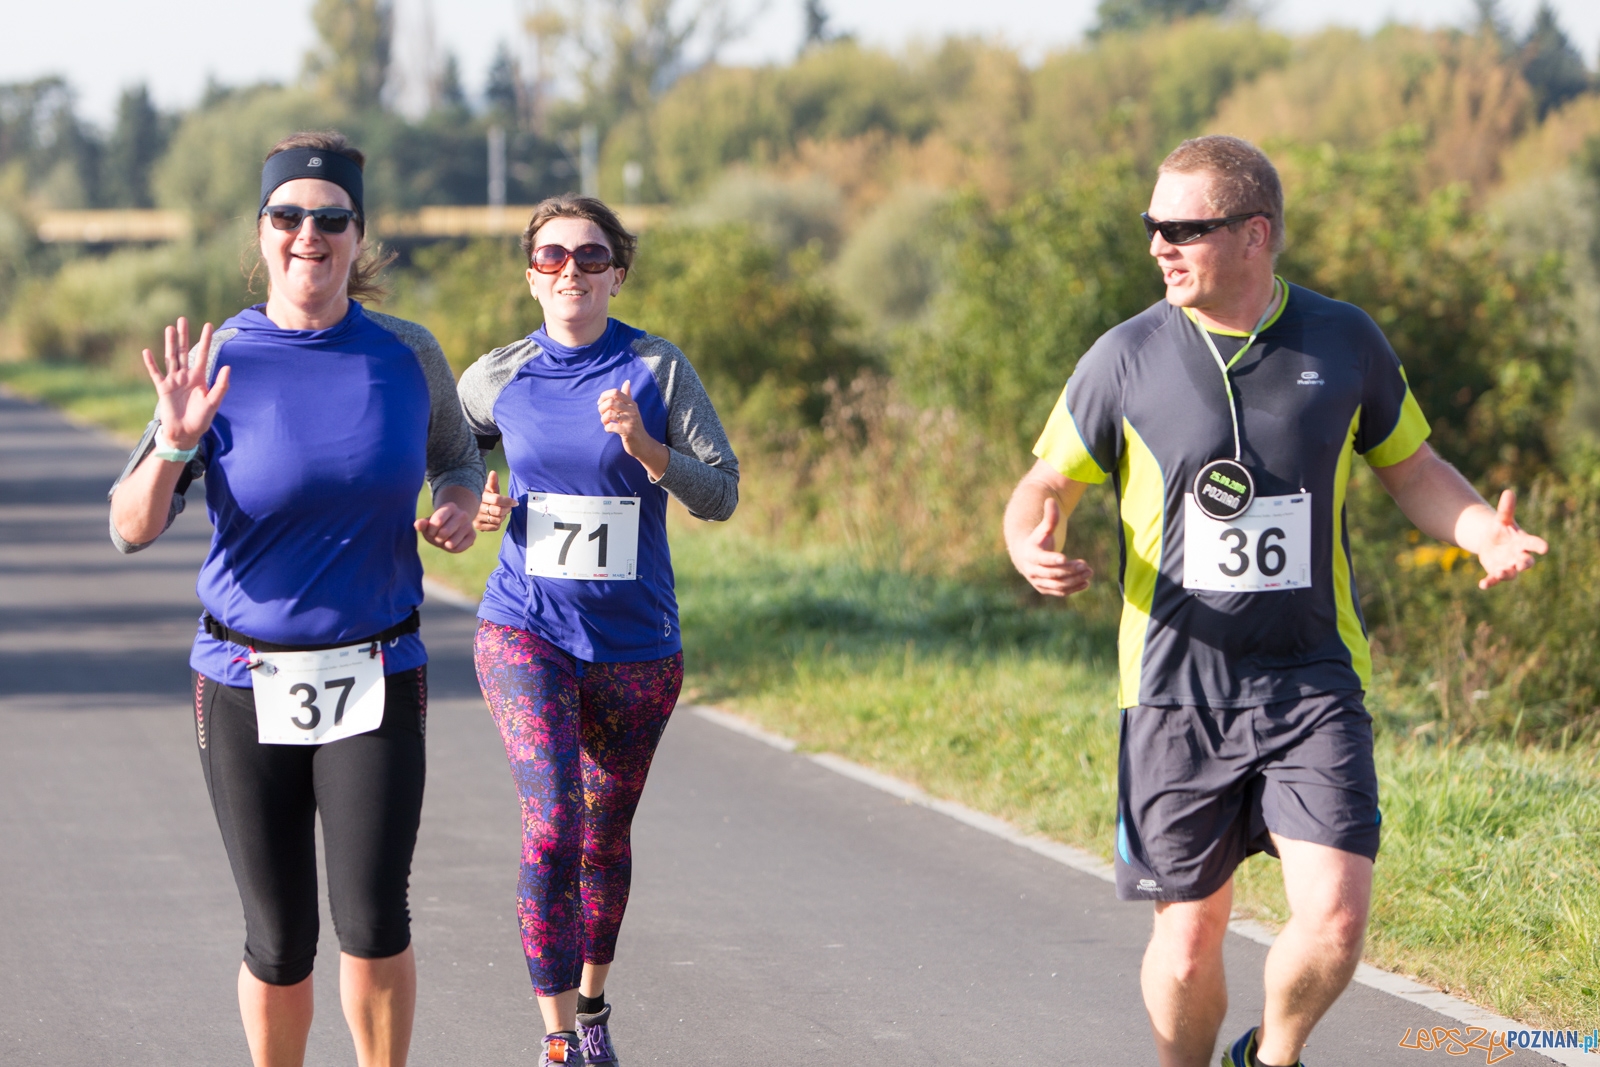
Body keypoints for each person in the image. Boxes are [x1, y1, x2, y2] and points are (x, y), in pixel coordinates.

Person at [1002, 135, 1546, 1067]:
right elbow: (1046, 481)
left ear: (1255, 234)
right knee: (1185, 950)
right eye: (1152, 227)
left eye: (1182, 228)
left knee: (1334, 921)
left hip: (1311, 680)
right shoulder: (1125, 356)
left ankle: (1273, 1055)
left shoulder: (1342, 341)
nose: (1158, 247)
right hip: (1176, 691)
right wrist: (1028, 537)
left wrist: (1481, 532)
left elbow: (1413, 470)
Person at [108, 131, 485, 1067]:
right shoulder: (217, 359)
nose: (308, 234)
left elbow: (457, 450)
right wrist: (171, 439)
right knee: (278, 941)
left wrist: (457, 497)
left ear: (360, 237)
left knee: (372, 916)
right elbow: (129, 526)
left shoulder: (408, 353)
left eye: (330, 219)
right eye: (288, 216)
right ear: (262, 231)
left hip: (378, 668)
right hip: (241, 679)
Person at [460, 194, 738, 1067]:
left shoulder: (657, 367)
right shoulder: (495, 375)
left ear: (618, 272)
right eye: (551, 257)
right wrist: (478, 497)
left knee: (604, 832)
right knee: (552, 825)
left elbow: (721, 492)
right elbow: (455, 447)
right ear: (530, 274)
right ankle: (553, 1040)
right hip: (524, 628)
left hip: (636, 646)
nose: (569, 271)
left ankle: (591, 1009)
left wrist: (649, 450)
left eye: (589, 256)